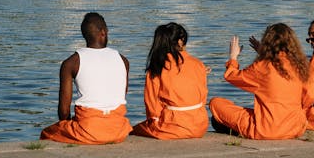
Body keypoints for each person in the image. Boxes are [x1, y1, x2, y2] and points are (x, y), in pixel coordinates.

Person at [40, 12, 133, 144]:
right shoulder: (123, 60)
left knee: (47, 133)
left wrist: (66, 124)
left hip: (89, 130)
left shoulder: (72, 62)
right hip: (120, 130)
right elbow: (120, 95)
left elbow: (64, 110)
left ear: (85, 35)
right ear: (104, 32)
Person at [209, 23, 309, 140]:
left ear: (267, 42)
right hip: (295, 128)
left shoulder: (263, 66)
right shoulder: (299, 66)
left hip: (268, 130)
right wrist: (263, 53)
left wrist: (233, 57)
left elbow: (232, 76)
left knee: (216, 103)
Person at [132, 23, 209, 139]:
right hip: (200, 125)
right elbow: (202, 98)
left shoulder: (157, 67)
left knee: (134, 129)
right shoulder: (198, 64)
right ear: (180, 41)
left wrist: (154, 121)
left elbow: (152, 104)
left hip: (174, 126)